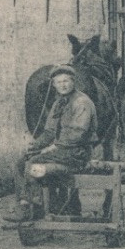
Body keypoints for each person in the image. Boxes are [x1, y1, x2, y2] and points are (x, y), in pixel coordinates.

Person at [12, 65, 99, 221]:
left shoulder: (82, 102)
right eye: (58, 82)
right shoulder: (58, 103)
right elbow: (49, 132)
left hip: (77, 153)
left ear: (73, 82)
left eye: (66, 81)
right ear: (53, 85)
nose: (63, 85)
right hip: (62, 152)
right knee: (21, 162)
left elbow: (77, 133)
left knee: (33, 163)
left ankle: (35, 206)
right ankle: (25, 204)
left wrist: (54, 147)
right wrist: (35, 145)